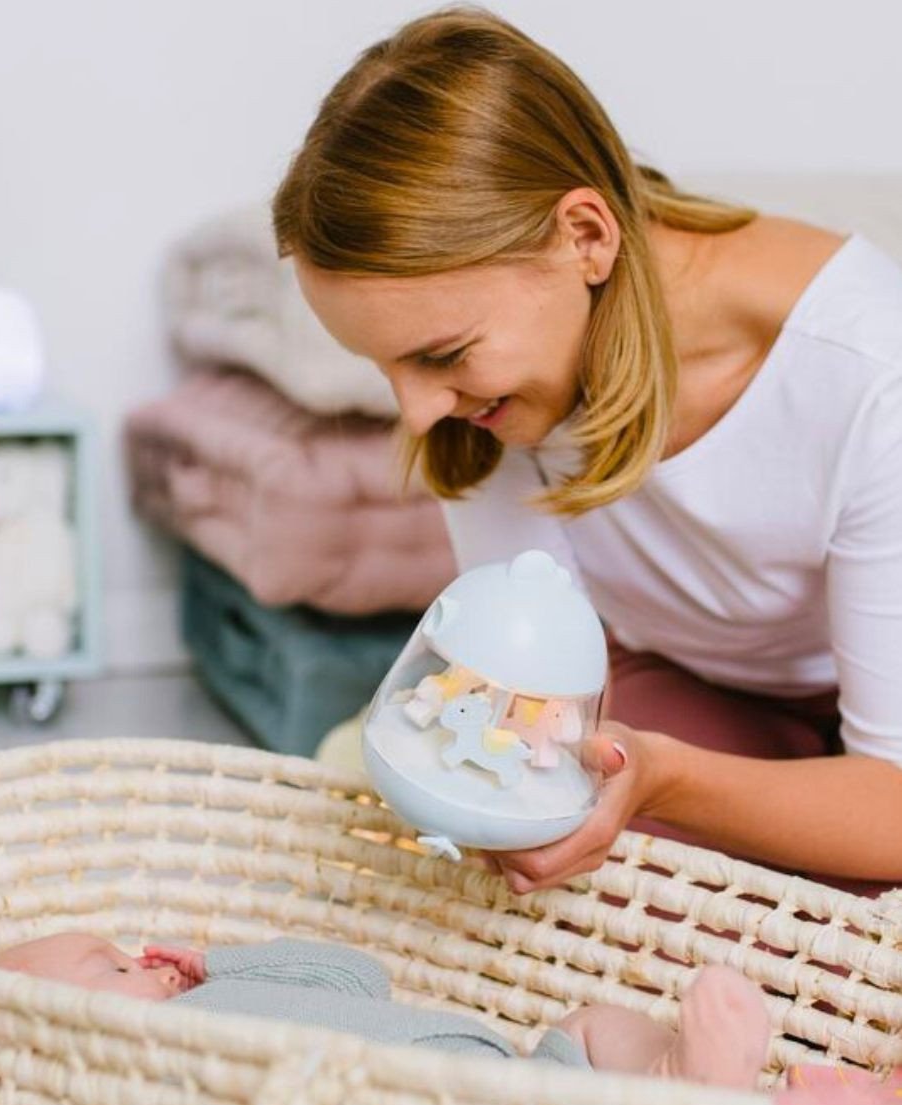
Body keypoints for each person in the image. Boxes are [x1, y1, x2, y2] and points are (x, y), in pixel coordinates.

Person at [271, 7, 902, 892]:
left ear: (586, 238)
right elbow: (532, 687)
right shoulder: (489, 393)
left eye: (442, 356)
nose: (416, 413)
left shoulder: (868, 374)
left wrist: (667, 778)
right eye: (385, 367)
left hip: (870, 756)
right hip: (677, 684)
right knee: (546, 859)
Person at [0, 931, 770, 1087]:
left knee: (589, 1025)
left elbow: (358, 978)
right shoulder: (177, 1062)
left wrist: (220, 962)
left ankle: (675, 1078)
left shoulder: (221, 990)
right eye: (115, 968)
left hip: (521, 1073)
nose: (147, 964)